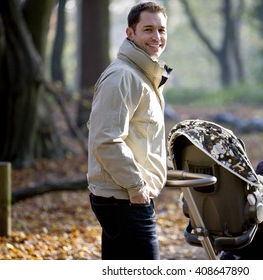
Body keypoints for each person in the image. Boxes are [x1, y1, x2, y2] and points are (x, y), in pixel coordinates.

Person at [87, 1, 172, 260]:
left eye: (161, 30)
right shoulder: (123, 77)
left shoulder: (142, 76)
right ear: (130, 33)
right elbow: (105, 139)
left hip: (127, 197)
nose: (156, 37)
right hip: (125, 198)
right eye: (148, 29)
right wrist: (137, 188)